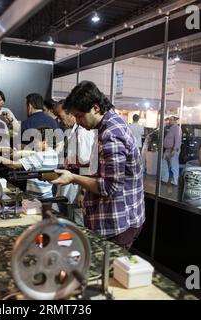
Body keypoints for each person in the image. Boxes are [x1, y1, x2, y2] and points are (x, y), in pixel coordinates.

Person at [51, 81, 145, 250]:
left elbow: (110, 186)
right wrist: (77, 166)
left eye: (80, 115)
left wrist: (73, 177)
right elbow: (104, 165)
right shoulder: (107, 125)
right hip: (114, 218)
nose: (78, 122)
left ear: (95, 108)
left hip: (117, 222)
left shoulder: (111, 134)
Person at [0, 127, 58, 199]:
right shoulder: (54, 154)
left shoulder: (40, 156)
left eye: (36, 142)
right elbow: (33, 155)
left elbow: (12, 164)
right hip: (48, 195)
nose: (33, 144)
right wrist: (19, 153)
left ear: (44, 141)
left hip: (36, 198)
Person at [53, 99, 95, 224]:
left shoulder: (83, 133)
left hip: (75, 194)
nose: (59, 121)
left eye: (60, 117)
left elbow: (88, 165)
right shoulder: (73, 132)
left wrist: (83, 192)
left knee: (76, 228)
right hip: (68, 191)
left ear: (71, 114)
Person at [162, 115, 182, 186]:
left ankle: (175, 181)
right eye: (169, 120)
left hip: (172, 149)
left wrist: (174, 149)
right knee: (164, 164)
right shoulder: (171, 128)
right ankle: (165, 179)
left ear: (175, 120)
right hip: (168, 149)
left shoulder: (177, 128)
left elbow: (177, 140)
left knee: (174, 165)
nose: (169, 121)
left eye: (171, 120)